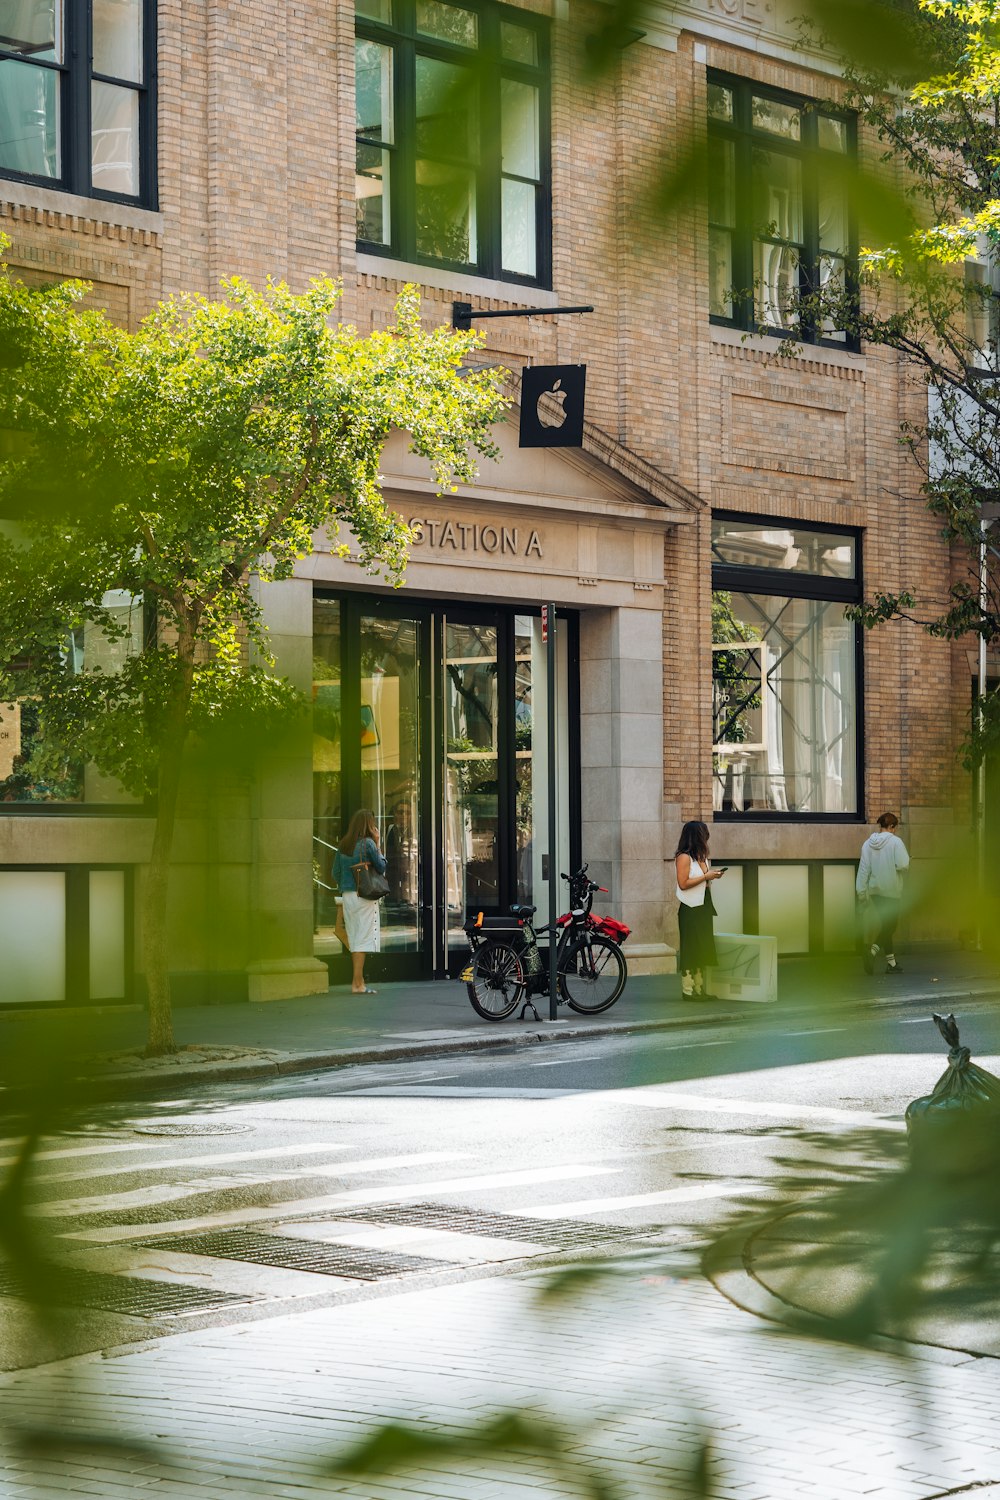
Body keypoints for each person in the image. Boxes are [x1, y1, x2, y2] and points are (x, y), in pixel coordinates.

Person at [331, 808, 387, 994]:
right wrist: (378, 844)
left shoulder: (343, 845)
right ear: (369, 825)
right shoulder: (368, 844)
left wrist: (346, 884)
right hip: (364, 895)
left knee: (355, 938)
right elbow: (381, 866)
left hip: (347, 896)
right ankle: (357, 984)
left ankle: (358, 981)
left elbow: (335, 873)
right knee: (362, 940)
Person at [675, 820, 725, 998]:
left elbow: (704, 880)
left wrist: (712, 876)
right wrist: (706, 876)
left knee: (702, 947)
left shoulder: (701, 857)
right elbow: (683, 884)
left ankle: (699, 988)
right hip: (690, 909)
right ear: (697, 836)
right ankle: (688, 990)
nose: (707, 837)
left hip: (704, 906)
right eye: (704, 834)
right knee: (690, 948)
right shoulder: (683, 857)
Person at [856, 812, 910, 974]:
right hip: (891, 890)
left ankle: (891, 964)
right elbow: (903, 865)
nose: (896, 831)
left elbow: (864, 869)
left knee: (886, 925)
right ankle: (871, 952)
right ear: (892, 827)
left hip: (875, 891)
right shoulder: (896, 842)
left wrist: (861, 892)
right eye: (896, 828)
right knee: (890, 926)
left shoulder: (867, 844)